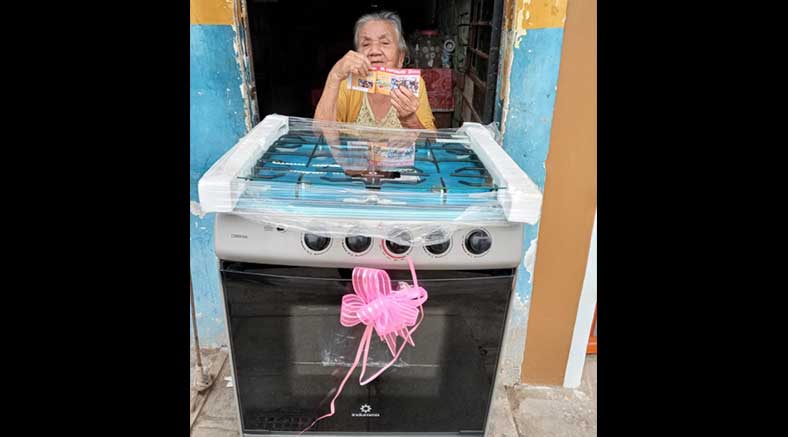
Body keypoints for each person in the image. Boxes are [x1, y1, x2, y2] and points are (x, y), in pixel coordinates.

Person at [314, 11, 436, 130]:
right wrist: (334, 76)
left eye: (384, 43)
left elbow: (432, 144)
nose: (374, 51)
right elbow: (320, 135)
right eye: (366, 44)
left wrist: (410, 120)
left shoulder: (413, 85)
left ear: (400, 58)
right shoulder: (347, 84)